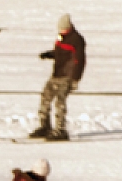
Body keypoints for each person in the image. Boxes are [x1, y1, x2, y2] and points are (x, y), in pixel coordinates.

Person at [29, 13, 86, 141]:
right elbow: (62, 53)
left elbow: (80, 61)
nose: (61, 31)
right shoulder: (62, 37)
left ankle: (60, 130)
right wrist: (49, 54)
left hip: (68, 76)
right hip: (57, 74)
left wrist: (75, 79)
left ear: (69, 27)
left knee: (60, 102)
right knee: (45, 97)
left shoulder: (77, 40)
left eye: (63, 28)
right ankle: (45, 126)